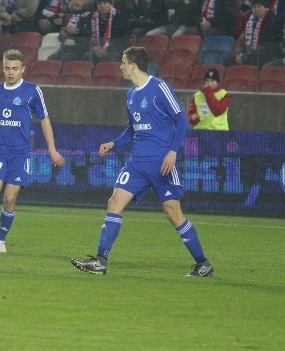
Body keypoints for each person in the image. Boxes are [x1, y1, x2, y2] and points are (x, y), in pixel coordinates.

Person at [71, 46, 214, 277]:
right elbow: (132, 129)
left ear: (133, 66)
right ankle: (100, 260)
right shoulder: (131, 95)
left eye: (123, 62)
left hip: (161, 164)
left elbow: (182, 121)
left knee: (173, 213)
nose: (120, 66)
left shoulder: (159, 87)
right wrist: (113, 144)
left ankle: (203, 263)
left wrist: (172, 152)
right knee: (114, 202)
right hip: (136, 163)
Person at [0, 49, 65, 253]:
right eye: (7, 68)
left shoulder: (32, 91)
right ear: (3, 68)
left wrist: (52, 149)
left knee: (10, 198)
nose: (10, 72)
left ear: (23, 69)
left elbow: (44, 119)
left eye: (15, 68)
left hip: (20, 153)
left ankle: (1, 239)